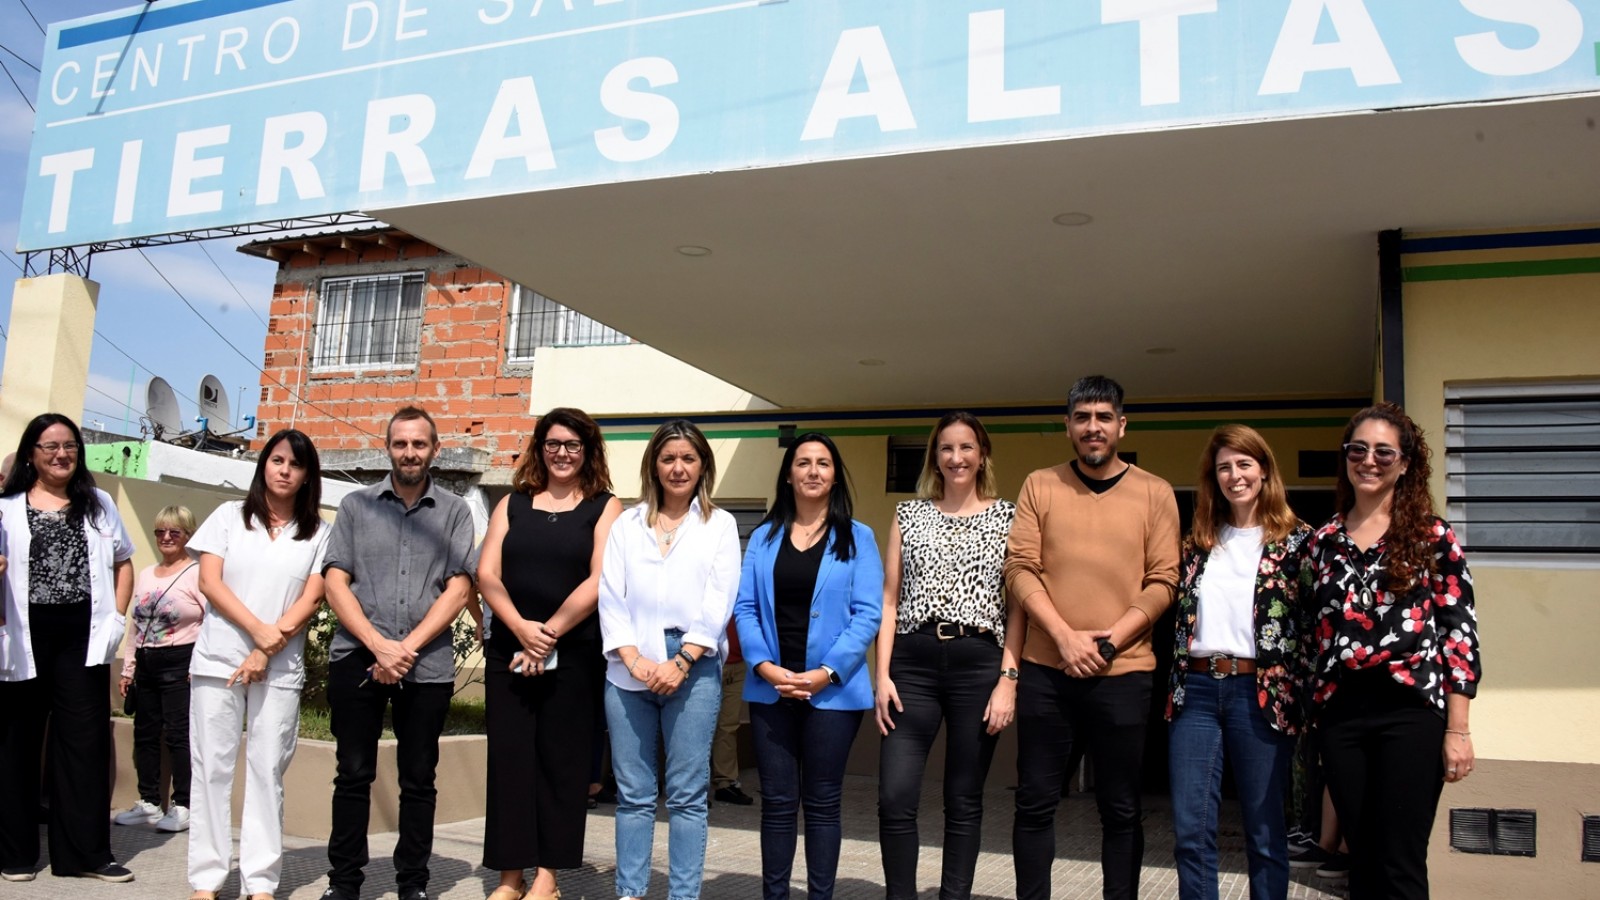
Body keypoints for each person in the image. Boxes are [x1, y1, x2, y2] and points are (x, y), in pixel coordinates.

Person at [1005, 376, 1180, 900]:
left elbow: (1164, 580)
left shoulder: (1155, 491)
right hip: (1045, 672)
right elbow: (1020, 568)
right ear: (1068, 427)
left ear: (1121, 426)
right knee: (1035, 801)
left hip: (1123, 675)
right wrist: (1063, 637)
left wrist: (1106, 644)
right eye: (1082, 418)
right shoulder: (1040, 484)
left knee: (1121, 808)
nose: (1093, 427)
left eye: (1104, 417)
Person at [1301, 402, 1480, 900]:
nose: (1369, 460)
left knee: (1399, 862)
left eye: (1384, 451)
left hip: (1411, 711)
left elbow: (1459, 634)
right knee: (1362, 861)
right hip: (1343, 717)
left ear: (1404, 464)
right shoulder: (1323, 543)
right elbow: (1313, 636)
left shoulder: (1432, 537)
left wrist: (1458, 730)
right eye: (1358, 449)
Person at [321, 406, 476, 900]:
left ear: (435, 449)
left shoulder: (454, 511)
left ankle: (413, 885)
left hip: (425, 665)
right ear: (387, 447)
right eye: (400, 444)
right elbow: (335, 580)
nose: (410, 453)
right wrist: (377, 645)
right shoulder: (354, 506)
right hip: (358, 659)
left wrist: (404, 649)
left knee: (418, 781)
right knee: (352, 775)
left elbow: (459, 587)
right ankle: (344, 884)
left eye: (419, 444)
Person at [874, 411, 1020, 900]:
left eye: (966, 448)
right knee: (894, 797)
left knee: (963, 800)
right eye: (946, 448)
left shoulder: (1009, 516)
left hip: (979, 663)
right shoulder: (908, 515)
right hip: (911, 665)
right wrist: (883, 675)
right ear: (934, 456)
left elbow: (1018, 608)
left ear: (982, 456)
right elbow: (890, 601)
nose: (956, 458)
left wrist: (1008, 679)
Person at [733, 432, 884, 900]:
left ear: (835, 474)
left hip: (833, 693)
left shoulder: (859, 538)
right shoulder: (763, 537)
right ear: (789, 474)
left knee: (822, 804)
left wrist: (826, 672)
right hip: (771, 690)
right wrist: (765, 667)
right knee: (777, 804)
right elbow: (745, 609)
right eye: (803, 462)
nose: (813, 470)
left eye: (823, 462)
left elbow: (868, 614)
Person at [478, 407, 620, 900]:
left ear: (588, 452)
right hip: (509, 652)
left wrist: (550, 633)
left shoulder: (605, 506)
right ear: (540, 447)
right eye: (554, 444)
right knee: (511, 761)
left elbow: (600, 580)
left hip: (574, 653)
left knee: (561, 764)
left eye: (573, 446)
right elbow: (487, 574)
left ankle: (548, 877)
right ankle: (509, 876)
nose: (562, 454)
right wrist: (521, 629)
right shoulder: (512, 504)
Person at [1164, 425, 1312, 900]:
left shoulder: (1298, 543)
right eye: (1224, 467)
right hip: (1198, 693)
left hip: (1260, 694)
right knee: (1192, 832)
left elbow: (1312, 628)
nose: (1234, 475)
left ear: (1264, 469)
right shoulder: (1197, 544)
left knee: (1265, 833)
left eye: (1244, 464)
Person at [185, 430, 332, 900]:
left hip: (279, 668)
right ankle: (206, 880)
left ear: (308, 475)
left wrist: (266, 649)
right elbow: (210, 582)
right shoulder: (229, 517)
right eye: (277, 460)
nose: (285, 470)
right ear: (263, 464)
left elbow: (311, 598)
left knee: (267, 771)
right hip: (218, 660)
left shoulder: (318, 533)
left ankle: (260, 882)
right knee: (212, 769)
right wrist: (259, 632)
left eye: (296, 464)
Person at [600, 419, 741, 900]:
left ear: (703, 465)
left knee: (686, 795)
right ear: (653, 466)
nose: (678, 468)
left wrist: (681, 660)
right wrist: (635, 661)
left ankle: (683, 895)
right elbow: (610, 598)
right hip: (628, 669)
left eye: (688, 458)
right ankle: (630, 892)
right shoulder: (626, 523)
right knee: (634, 796)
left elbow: (719, 601)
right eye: (668, 458)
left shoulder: (719, 525)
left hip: (695, 668)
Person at [0, 413, 136, 884]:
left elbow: (123, 562)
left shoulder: (97, 503)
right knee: (17, 741)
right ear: (32, 454)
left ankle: (85, 855)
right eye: (49, 446)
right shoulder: (6, 506)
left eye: (70, 446)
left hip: (82, 634)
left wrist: (117, 619)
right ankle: (15, 854)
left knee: (84, 742)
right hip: (24, 632)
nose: (61, 454)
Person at [115, 504, 205, 834]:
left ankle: (184, 804)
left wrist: (199, 665)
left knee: (179, 734)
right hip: (148, 662)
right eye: (160, 532)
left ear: (188, 535)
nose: (166, 538)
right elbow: (135, 625)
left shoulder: (196, 572)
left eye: (174, 532)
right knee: (145, 732)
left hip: (181, 659)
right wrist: (128, 668)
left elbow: (210, 621)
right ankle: (149, 802)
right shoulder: (147, 573)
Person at [710, 616, 753, 805]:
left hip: (738, 663)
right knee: (697, 726)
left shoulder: (743, 585)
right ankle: (692, 788)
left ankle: (725, 783)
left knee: (729, 725)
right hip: (707, 661)